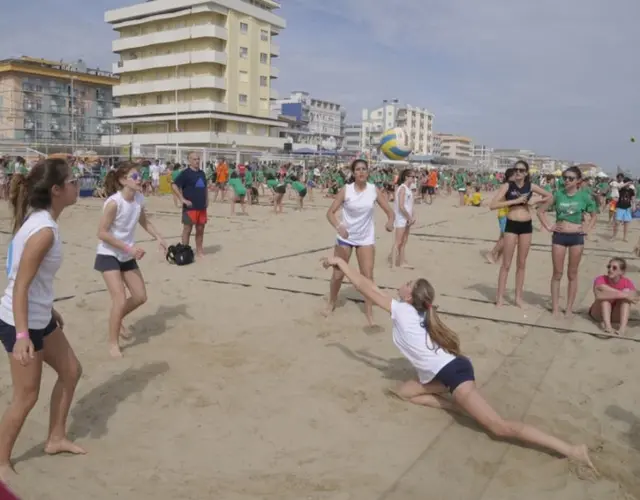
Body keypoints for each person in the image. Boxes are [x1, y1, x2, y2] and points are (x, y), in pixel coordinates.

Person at [320, 255, 596, 472]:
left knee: (499, 427)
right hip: (452, 368)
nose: (403, 282)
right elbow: (369, 287)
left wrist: (341, 262)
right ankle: (456, 405)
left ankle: (572, 450)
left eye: (408, 282)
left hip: (453, 373)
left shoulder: (402, 310)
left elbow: (364, 286)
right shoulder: (416, 311)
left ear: (409, 295)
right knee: (403, 392)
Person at [0, 159, 86, 481]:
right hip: (18, 321)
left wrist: (48, 310)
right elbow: (20, 284)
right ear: (56, 190)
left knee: (71, 370)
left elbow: (31, 282)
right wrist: (22, 335)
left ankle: (55, 438)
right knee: (26, 396)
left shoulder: (41, 221)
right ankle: (1, 461)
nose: (77, 185)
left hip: (38, 314)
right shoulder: (43, 232)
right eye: (72, 180)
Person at [95, 163, 167, 358]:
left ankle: (117, 319)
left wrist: (159, 237)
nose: (140, 179)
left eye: (141, 175)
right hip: (108, 254)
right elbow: (101, 233)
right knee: (119, 298)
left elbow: (143, 221)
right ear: (122, 180)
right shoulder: (114, 203)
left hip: (127, 255)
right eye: (135, 176)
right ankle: (113, 343)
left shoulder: (138, 199)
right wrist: (129, 248)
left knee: (140, 297)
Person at [325, 159, 395, 326]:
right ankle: (331, 303)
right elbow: (330, 213)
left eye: (364, 169)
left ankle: (369, 314)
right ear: (353, 173)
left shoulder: (373, 190)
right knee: (338, 274)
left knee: (368, 276)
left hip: (365, 238)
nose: (361, 172)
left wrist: (390, 222)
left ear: (368, 172)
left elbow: (390, 212)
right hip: (345, 237)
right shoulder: (346, 190)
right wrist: (338, 226)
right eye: (358, 169)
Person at [489, 160, 552, 307]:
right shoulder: (507, 186)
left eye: (522, 170)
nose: (518, 172)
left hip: (526, 226)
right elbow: (493, 205)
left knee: (522, 263)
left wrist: (536, 201)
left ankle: (518, 297)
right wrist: (513, 201)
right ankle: (500, 297)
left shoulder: (531, 186)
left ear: (526, 173)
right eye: (516, 169)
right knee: (506, 263)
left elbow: (549, 196)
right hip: (511, 224)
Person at [536, 166, 597, 317]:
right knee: (557, 273)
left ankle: (569, 308)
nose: (567, 181)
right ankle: (556, 307)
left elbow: (594, 214)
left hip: (576, 237)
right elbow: (540, 211)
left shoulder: (583, 196)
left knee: (572, 274)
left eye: (571, 178)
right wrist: (549, 226)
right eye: (565, 178)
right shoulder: (558, 195)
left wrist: (587, 228)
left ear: (578, 181)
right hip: (559, 237)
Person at [171, 152, 208, 259]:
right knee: (187, 229)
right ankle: (184, 250)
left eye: (198, 159)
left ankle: (199, 251)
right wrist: (182, 199)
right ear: (189, 161)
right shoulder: (185, 173)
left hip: (202, 206)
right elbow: (174, 185)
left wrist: (207, 200)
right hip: (190, 208)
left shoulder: (202, 173)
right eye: (195, 159)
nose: (197, 161)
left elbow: (205, 187)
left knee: (200, 229)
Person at [588, 258, 638, 335]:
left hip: (615, 316)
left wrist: (620, 295)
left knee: (625, 301)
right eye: (609, 266)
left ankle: (622, 329)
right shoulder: (601, 279)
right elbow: (599, 295)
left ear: (621, 272)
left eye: (614, 268)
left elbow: (633, 298)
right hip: (598, 314)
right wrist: (624, 294)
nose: (610, 269)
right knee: (605, 300)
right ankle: (608, 327)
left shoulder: (627, 282)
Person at [484, 168, 515, 264]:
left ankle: (498, 258)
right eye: (515, 174)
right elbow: (497, 201)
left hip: (508, 214)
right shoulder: (506, 186)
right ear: (510, 176)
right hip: (504, 214)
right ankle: (492, 253)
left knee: (503, 237)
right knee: (506, 237)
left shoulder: (512, 186)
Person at [389, 169, 416, 269]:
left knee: (404, 241)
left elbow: (409, 205)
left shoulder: (408, 189)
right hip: (401, 218)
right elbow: (401, 206)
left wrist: (412, 216)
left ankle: (402, 262)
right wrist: (409, 217)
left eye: (414, 177)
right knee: (398, 241)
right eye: (412, 177)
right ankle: (393, 264)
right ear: (406, 177)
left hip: (406, 218)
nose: (414, 179)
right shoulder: (403, 189)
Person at [612, 177, 635, 242]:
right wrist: (627, 183)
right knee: (617, 223)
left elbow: (633, 198)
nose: (630, 184)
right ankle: (614, 236)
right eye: (628, 183)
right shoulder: (621, 189)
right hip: (620, 207)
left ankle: (625, 238)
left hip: (627, 208)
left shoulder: (631, 190)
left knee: (626, 223)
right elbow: (619, 187)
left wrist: (633, 206)